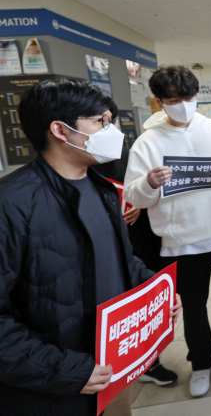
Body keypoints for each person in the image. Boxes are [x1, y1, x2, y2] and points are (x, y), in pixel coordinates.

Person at [0, 78, 181, 415]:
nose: (112, 131)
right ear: (61, 130)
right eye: (101, 122)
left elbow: (119, 260)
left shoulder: (103, 190)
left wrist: (157, 292)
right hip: (54, 387)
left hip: (110, 371)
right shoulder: (11, 204)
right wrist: (65, 371)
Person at [123, 65, 211, 398]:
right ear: (159, 102)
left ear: (196, 96)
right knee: (194, 308)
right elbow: (133, 194)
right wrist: (149, 183)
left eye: (188, 97)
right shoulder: (147, 142)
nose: (183, 105)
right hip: (180, 242)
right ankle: (201, 362)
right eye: (173, 99)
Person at [94, 140, 178, 388]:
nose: (104, 126)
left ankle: (149, 362)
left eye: (107, 119)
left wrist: (140, 204)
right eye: (97, 119)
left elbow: (140, 185)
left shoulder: (122, 148)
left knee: (142, 293)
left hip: (137, 235)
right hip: (99, 237)